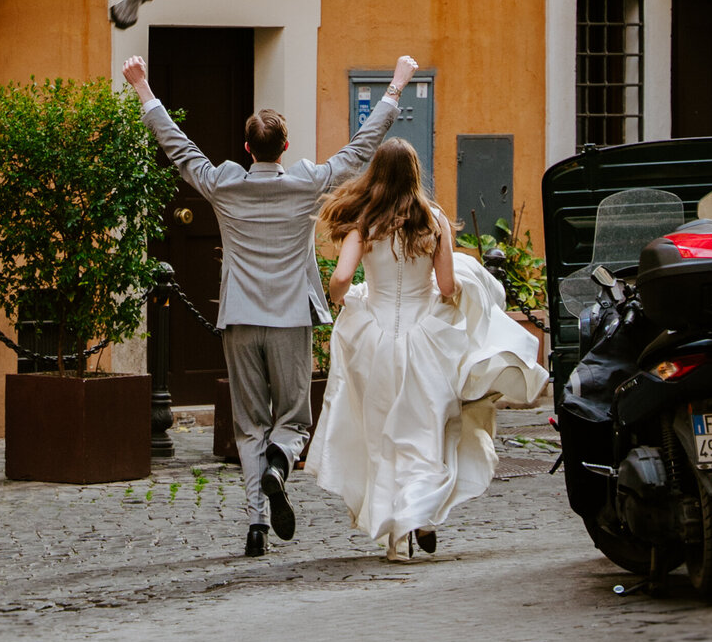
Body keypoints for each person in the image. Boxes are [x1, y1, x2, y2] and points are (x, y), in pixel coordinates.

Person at [122, 52, 419, 558]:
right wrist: (396, 85)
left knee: (249, 423)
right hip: (288, 319)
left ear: (246, 148)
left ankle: (256, 525)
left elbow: (177, 147)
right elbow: (362, 147)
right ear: (284, 148)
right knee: (295, 419)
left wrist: (144, 89)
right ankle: (280, 467)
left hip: (239, 317)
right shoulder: (307, 181)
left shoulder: (222, 183)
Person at [305, 137, 548, 559]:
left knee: (383, 437)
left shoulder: (366, 223)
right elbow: (449, 286)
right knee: (425, 433)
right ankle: (422, 516)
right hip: (426, 341)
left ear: (375, 175)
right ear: (415, 173)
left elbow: (340, 282)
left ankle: (397, 540)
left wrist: (350, 294)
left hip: (375, 341)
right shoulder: (433, 220)